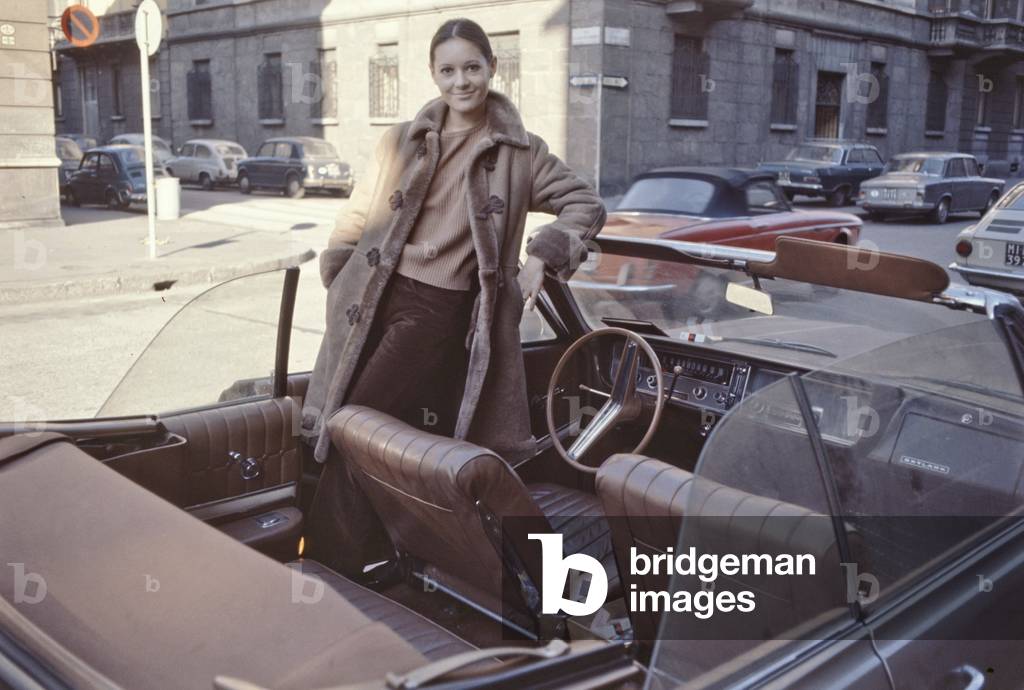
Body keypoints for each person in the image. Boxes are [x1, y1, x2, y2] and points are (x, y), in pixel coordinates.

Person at [301, 17, 606, 576]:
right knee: (342, 421)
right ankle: (356, 555)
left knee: (355, 425)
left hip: (435, 310)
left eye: (472, 68)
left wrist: (544, 253)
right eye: (448, 70)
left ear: (491, 68)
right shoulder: (401, 140)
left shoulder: (520, 152)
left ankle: (327, 568)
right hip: (371, 297)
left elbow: (585, 205)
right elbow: (358, 213)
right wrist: (339, 267)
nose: (461, 81)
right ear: (432, 74)